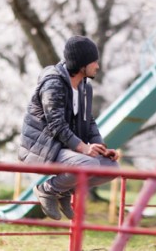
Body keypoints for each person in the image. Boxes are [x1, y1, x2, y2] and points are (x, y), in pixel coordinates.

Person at [18, 35, 120, 220]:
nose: (97, 66)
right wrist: (84, 148)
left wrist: (101, 148)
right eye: (94, 61)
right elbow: (56, 124)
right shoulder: (53, 83)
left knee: (111, 167)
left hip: (68, 150)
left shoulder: (84, 87)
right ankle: (47, 190)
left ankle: (64, 191)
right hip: (44, 148)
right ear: (82, 65)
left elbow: (89, 121)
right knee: (87, 163)